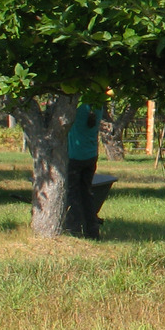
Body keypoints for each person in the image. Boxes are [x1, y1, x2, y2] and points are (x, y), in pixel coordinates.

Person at [66, 97, 105, 237]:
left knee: (73, 194)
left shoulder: (77, 107)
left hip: (75, 155)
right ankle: (92, 229)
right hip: (91, 155)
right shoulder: (98, 107)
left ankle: (74, 228)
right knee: (87, 194)